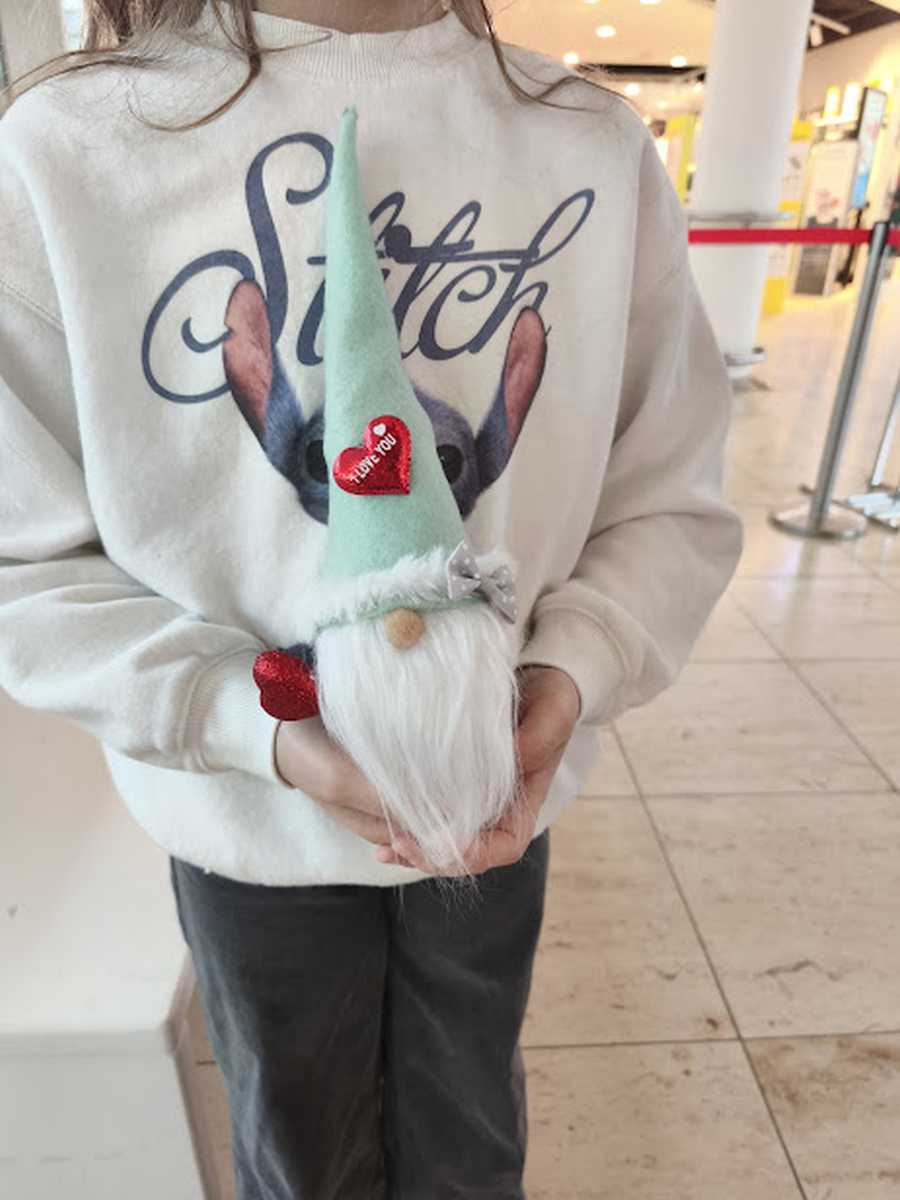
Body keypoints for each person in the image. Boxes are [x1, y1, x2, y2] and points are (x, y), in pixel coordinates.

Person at [0, 1, 744, 1196]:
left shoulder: (592, 146)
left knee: (473, 1147)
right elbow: (25, 564)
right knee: (301, 1155)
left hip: (494, 793)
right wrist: (248, 723)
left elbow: (669, 495)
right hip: (248, 829)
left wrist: (570, 673)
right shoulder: (69, 147)